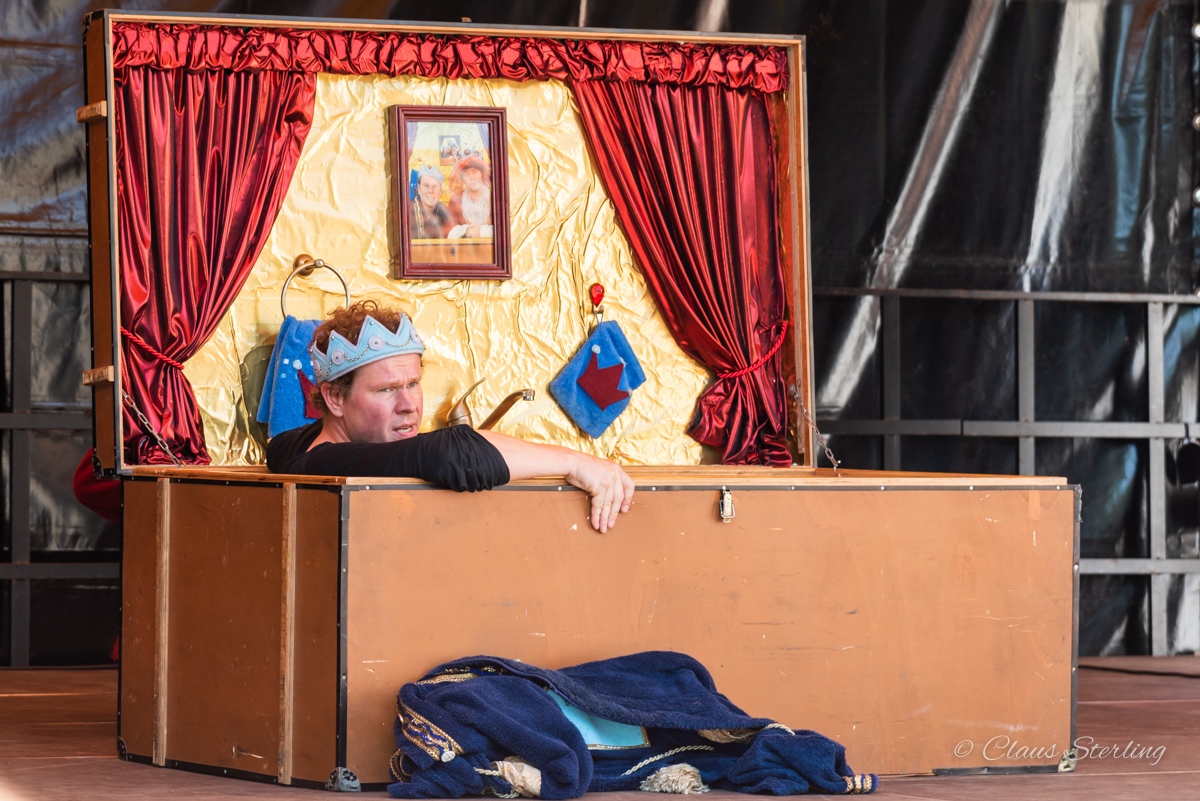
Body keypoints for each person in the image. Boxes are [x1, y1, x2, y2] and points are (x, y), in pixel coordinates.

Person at [266, 301, 634, 533]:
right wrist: (575, 462)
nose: (409, 404)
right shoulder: (323, 463)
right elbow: (453, 452)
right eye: (387, 389)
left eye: (413, 383)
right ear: (334, 397)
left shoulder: (293, 445)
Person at [447, 155, 492, 238]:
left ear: (481, 173)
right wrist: (466, 230)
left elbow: (506, 228)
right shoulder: (455, 200)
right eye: (466, 174)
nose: (471, 177)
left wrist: (482, 231)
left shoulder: (494, 198)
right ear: (463, 180)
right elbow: (448, 230)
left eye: (474, 172)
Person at [410, 167, 453, 239]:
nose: (430, 191)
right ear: (419, 189)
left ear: (440, 192)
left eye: (435, 186)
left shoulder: (445, 213)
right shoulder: (406, 210)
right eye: (426, 186)